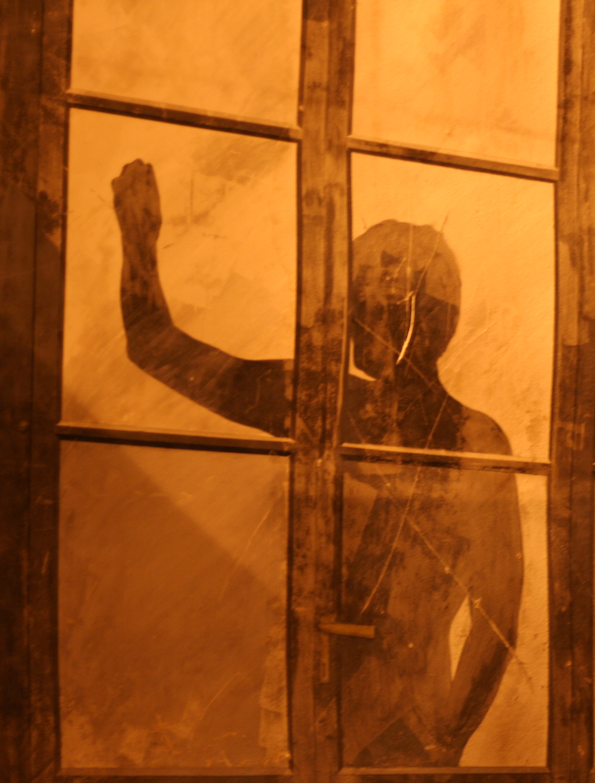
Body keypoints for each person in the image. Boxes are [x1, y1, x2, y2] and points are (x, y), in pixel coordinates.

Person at [113, 159, 523, 766]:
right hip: (315, 715)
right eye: (356, 302)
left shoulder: (474, 440)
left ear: (430, 319)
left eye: (377, 305)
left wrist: (445, 740)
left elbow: (499, 611)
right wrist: (138, 244)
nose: (360, 320)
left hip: (403, 728)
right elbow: (157, 347)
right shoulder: (322, 402)